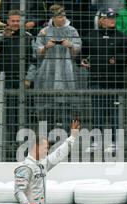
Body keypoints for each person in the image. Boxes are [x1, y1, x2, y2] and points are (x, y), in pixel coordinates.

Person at [81, 8, 127, 153]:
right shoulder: (90, 36)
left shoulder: (121, 37)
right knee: (97, 112)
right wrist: (82, 60)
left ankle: (114, 142)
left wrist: (117, 59)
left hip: (115, 82)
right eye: (109, 18)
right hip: (96, 80)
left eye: (113, 18)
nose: (112, 20)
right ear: (101, 20)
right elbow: (81, 55)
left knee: (114, 113)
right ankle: (96, 142)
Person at [0, 9, 37, 158]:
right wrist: (5, 35)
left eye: (18, 21)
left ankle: (24, 142)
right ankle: (13, 142)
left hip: (23, 81)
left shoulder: (28, 37)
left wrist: (27, 79)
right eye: (12, 21)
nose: (15, 23)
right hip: (6, 81)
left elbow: (33, 60)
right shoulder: (2, 34)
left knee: (25, 112)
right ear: (8, 22)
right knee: (10, 113)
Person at [33, 4, 82, 132]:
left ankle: (65, 133)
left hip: (67, 71)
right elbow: (37, 51)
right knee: (48, 106)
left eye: (64, 16)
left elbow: (77, 49)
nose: (63, 19)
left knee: (66, 105)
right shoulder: (44, 31)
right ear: (53, 18)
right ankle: (48, 135)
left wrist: (70, 45)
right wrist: (46, 47)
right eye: (60, 16)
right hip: (48, 70)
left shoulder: (72, 30)